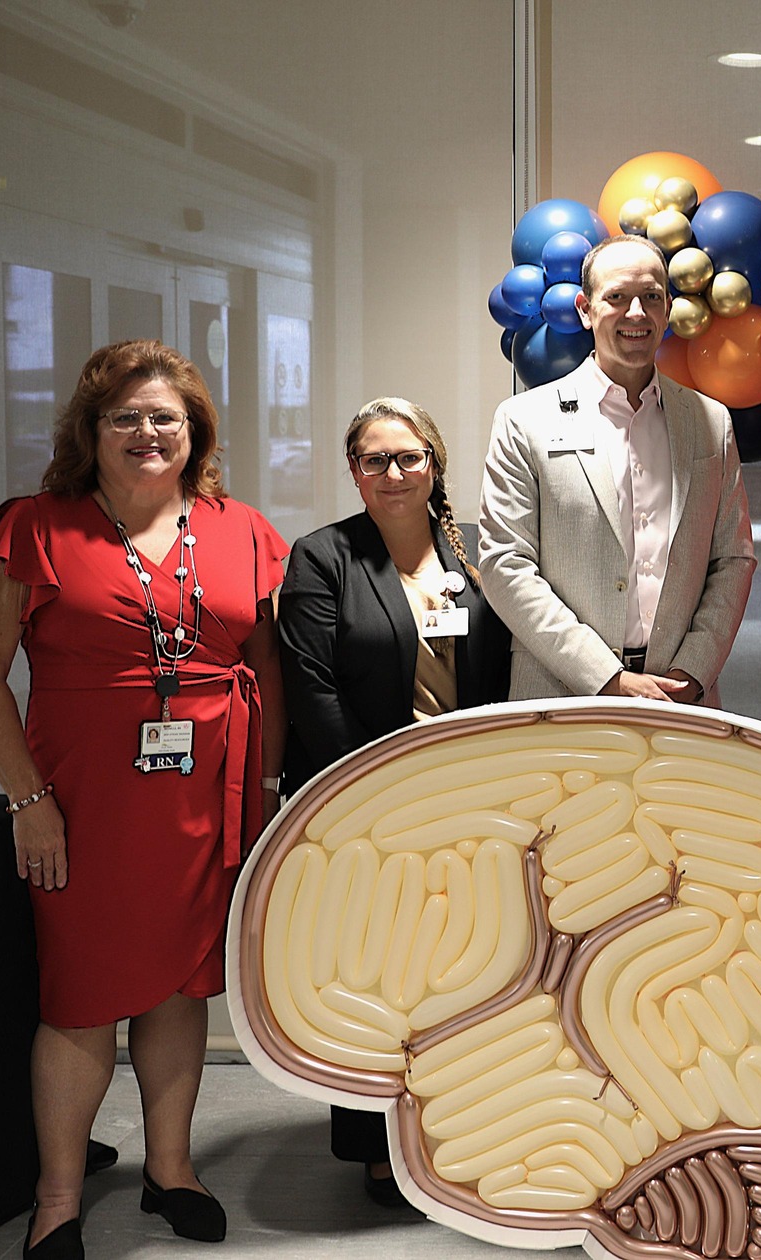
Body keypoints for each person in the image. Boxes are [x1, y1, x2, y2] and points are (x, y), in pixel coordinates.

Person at [0, 340, 286, 1257]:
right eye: (125, 417)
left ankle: (170, 1170)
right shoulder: (38, 524)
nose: (148, 433)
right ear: (89, 431)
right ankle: (58, 1197)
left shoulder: (240, 528)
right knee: (81, 994)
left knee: (180, 987)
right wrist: (29, 803)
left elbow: (265, 664)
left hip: (207, 796)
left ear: (195, 431)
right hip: (83, 800)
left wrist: (264, 790)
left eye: (165, 418)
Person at [277, 397, 510, 1205]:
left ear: (435, 464)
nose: (393, 473)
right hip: (363, 804)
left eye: (408, 457)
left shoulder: (477, 552)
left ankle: (460, 1131)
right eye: (375, 460)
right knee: (373, 970)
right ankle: (377, 1143)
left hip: (470, 796)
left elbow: (507, 668)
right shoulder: (323, 557)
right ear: (354, 472)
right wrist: (365, 792)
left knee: (467, 970)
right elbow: (311, 686)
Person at [480, 235, 755, 702]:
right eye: (617, 298)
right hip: (561, 696)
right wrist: (606, 677)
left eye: (651, 297)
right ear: (586, 309)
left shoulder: (710, 422)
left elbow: (733, 558)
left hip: (681, 698)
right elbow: (504, 563)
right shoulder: (524, 420)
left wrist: (692, 672)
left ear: (667, 309)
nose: (636, 314)